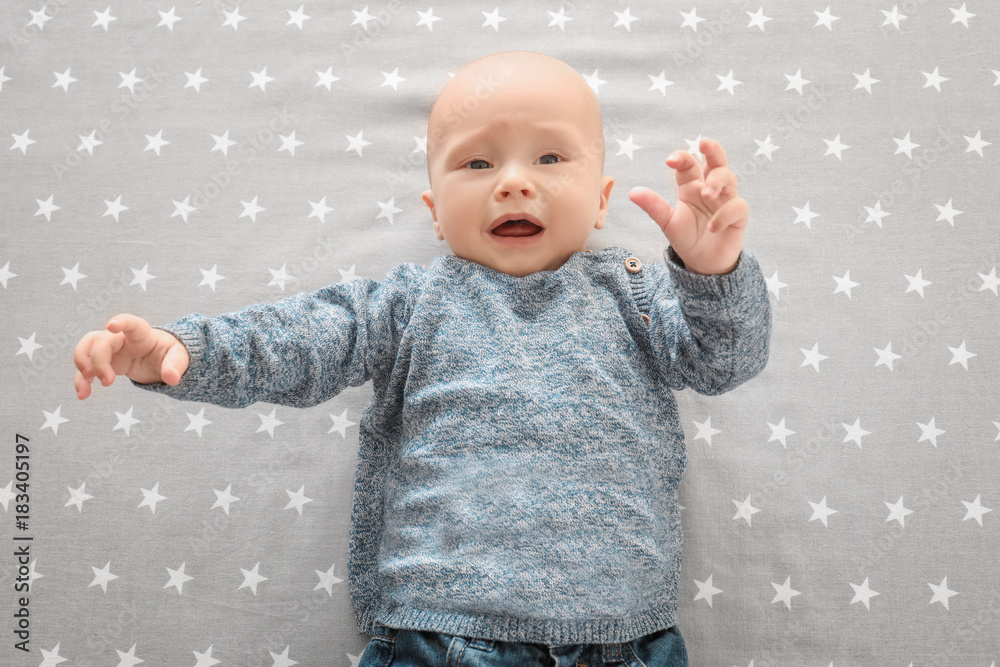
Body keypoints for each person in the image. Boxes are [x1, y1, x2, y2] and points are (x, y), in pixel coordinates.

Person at [72, 51, 771, 667]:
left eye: (551, 158)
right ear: (437, 213)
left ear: (601, 201)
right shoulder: (410, 303)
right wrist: (182, 350)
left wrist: (712, 271)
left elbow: (725, 360)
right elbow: (299, 339)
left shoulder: (637, 291)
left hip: (623, 641)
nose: (514, 182)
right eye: (478, 162)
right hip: (438, 635)